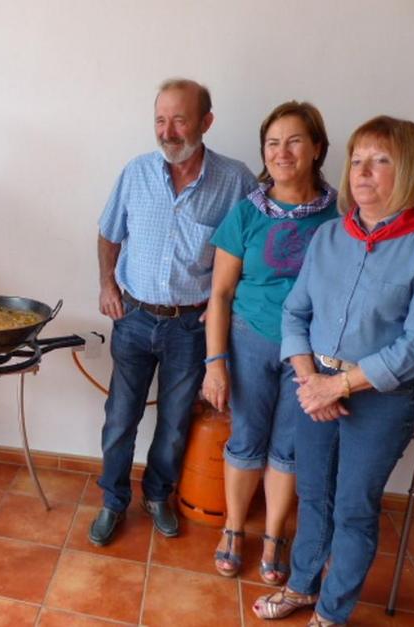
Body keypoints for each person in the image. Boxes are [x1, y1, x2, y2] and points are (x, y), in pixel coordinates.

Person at [253, 116, 414, 626]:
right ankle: (302, 586)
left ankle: (332, 612)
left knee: (352, 506)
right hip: (315, 384)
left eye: (380, 160)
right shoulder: (330, 235)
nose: (362, 172)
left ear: (411, 170)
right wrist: (311, 381)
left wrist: (338, 386)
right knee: (313, 495)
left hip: (381, 398)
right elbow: (295, 313)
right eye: (356, 160)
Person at [91, 78, 256, 546]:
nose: (167, 132)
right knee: (120, 418)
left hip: (191, 325)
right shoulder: (136, 172)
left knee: (175, 421)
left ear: (206, 121)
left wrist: (227, 306)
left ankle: (158, 495)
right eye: (160, 120)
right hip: (134, 317)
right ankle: (113, 501)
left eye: (179, 120)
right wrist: (107, 284)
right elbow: (108, 233)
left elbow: (252, 251)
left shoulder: (236, 181)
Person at [201, 102, 338, 583]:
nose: (282, 152)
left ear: (317, 148)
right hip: (250, 341)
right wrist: (215, 362)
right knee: (246, 439)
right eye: (273, 143)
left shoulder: (339, 217)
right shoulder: (246, 213)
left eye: (294, 141)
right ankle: (234, 529)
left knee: (289, 448)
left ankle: (275, 535)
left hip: (311, 355)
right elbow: (220, 294)